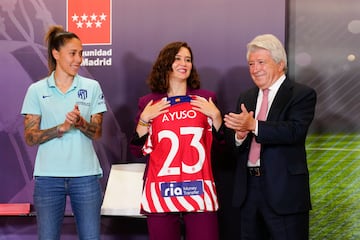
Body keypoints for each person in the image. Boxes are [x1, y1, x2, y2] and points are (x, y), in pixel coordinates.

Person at [224, 34, 317, 239]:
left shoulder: (301, 94)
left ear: (280, 64)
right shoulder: (246, 97)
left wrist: (254, 125)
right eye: (251, 64)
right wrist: (239, 135)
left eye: (261, 62)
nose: (255, 69)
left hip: (284, 193)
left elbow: (294, 131)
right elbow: (237, 146)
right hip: (248, 192)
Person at [130, 41, 223, 240]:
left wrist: (216, 118)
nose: (184, 63)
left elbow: (222, 148)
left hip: (199, 188)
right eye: (178, 58)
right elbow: (137, 151)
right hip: (160, 189)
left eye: (188, 59)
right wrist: (145, 120)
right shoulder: (149, 102)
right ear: (166, 63)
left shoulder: (205, 99)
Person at [21, 25, 107, 240]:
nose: (78, 59)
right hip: (48, 178)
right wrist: (60, 128)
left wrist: (79, 122)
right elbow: (30, 137)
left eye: (81, 53)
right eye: (72, 53)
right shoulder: (36, 90)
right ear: (56, 54)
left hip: (85, 176)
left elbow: (97, 133)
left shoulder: (92, 86)